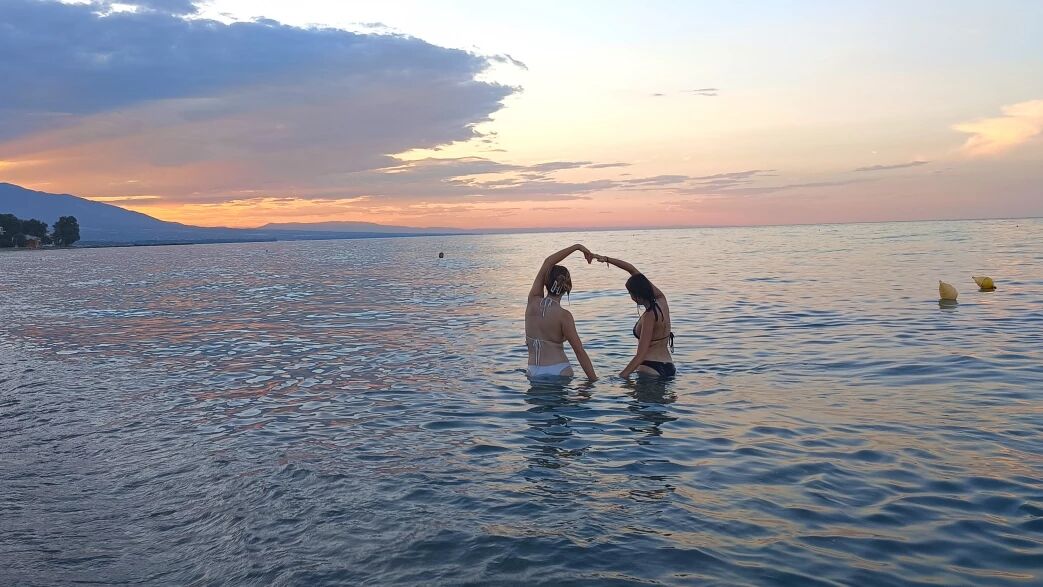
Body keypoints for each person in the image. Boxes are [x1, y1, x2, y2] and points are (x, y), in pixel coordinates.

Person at [595, 254, 675, 378]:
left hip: (651, 367)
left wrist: (620, 376)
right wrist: (606, 259)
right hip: (669, 366)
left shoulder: (649, 316)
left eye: (630, 293)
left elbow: (641, 355)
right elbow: (632, 269)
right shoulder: (662, 300)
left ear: (636, 296)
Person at [525, 244, 598, 380]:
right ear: (568, 287)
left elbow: (548, 262)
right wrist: (593, 380)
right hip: (559, 369)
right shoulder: (564, 316)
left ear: (546, 283)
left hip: (532, 371)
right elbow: (579, 351)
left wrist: (577, 247)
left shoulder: (532, 302)